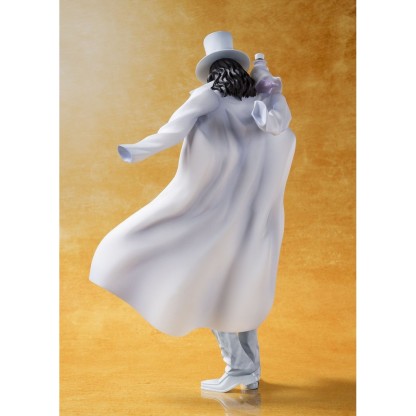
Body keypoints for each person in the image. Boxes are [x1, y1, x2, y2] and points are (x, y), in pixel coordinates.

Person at [89, 31, 296, 393]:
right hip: (250, 217)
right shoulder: (264, 102)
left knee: (215, 287)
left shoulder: (209, 97)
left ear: (215, 71)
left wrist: (136, 150)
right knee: (238, 287)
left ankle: (240, 368)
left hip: (213, 213)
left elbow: (172, 130)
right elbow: (275, 129)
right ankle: (247, 370)